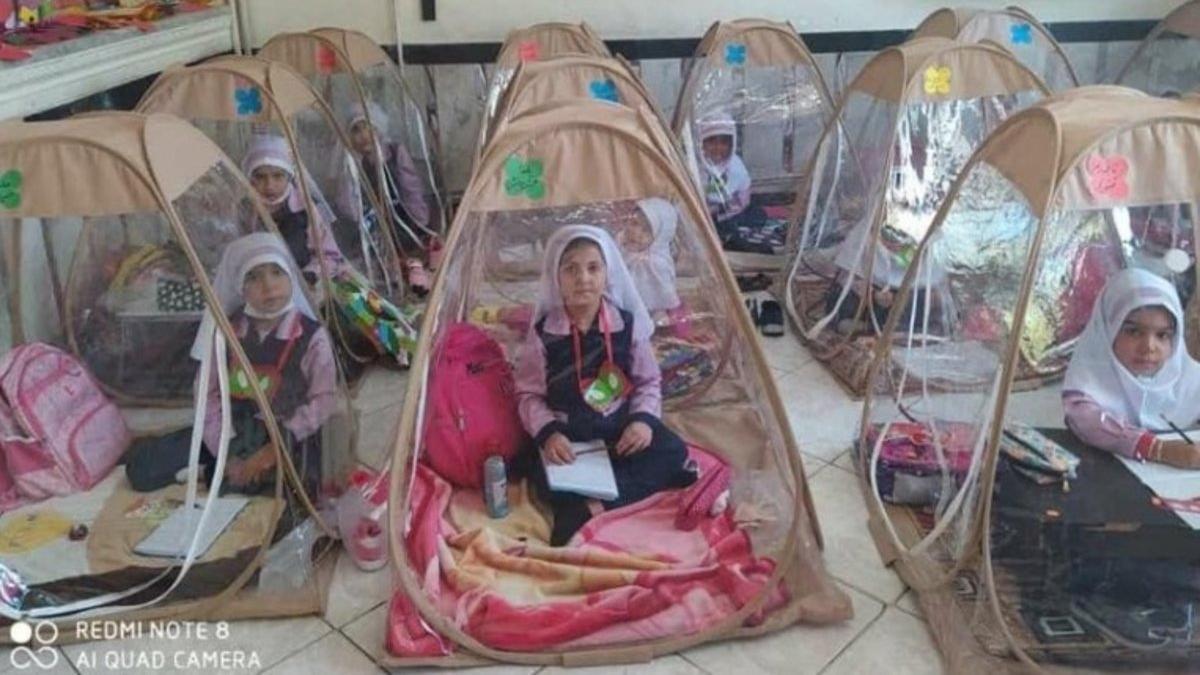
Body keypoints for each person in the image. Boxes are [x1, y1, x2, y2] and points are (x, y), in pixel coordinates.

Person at [514, 226, 698, 545]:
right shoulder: (544, 334)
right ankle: (624, 487)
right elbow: (528, 394)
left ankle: (593, 505)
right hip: (570, 436)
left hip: (618, 431)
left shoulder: (626, 325)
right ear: (556, 279)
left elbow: (648, 382)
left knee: (671, 449)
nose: (583, 278)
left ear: (607, 275)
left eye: (593, 267)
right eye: (570, 268)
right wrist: (549, 434)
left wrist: (641, 423)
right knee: (537, 473)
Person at [125, 233, 338, 496]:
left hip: (287, 437)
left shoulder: (311, 336)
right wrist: (225, 448)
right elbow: (207, 393)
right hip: (235, 432)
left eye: (276, 272)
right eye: (254, 277)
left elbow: (323, 400)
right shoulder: (227, 332)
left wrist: (270, 452)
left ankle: (213, 473)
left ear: (291, 277)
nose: (269, 286)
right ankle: (219, 467)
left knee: (295, 485)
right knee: (142, 468)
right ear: (240, 287)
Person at [1062, 268, 1200, 469]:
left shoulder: (1189, 377)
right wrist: (1158, 449)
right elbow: (1087, 421)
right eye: (1134, 332)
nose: (1149, 347)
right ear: (1108, 329)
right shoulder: (1087, 384)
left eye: (1162, 335)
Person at [241, 134, 345, 285]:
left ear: (289, 175)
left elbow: (330, 256)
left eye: (277, 176)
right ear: (250, 178)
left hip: (306, 285)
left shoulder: (307, 209)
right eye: (261, 177)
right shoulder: (246, 210)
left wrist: (310, 275)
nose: (269, 185)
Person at [618, 198, 683, 324]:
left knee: (659, 319)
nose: (636, 233)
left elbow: (662, 295)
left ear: (659, 236)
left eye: (646, 230)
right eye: (634, 223)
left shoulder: (657, 263)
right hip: (621, 310)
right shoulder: (619, 245)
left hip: (650, 313)